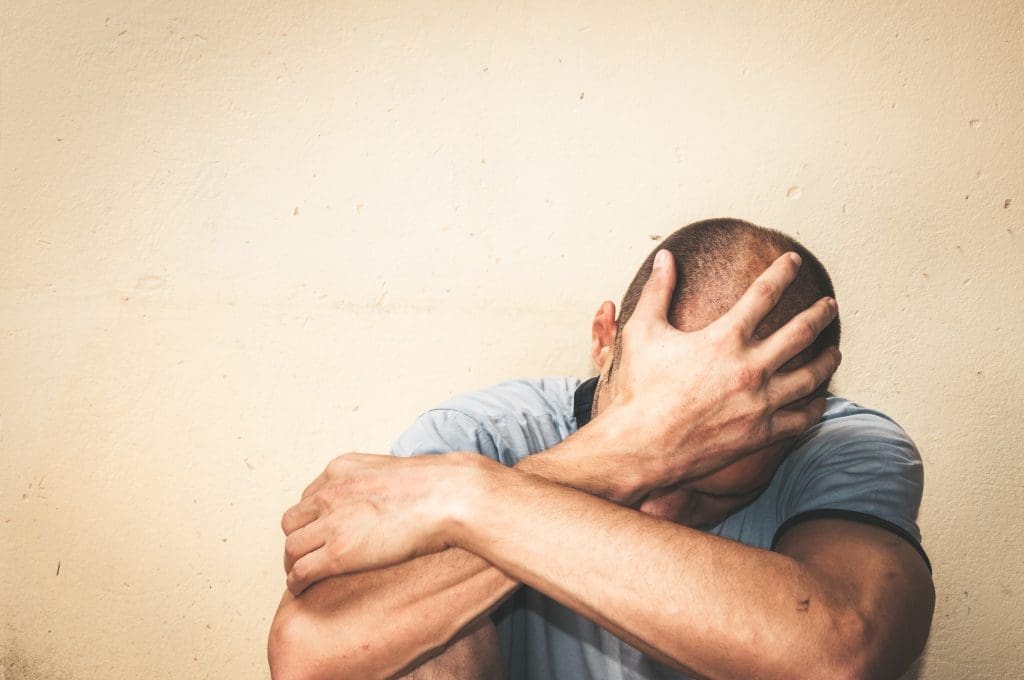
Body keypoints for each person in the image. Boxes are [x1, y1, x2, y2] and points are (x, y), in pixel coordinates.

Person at [267, 218, 934, 679]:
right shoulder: (485, 436)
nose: (661, 512)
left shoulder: (843, 445)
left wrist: (469, 497)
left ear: (800, 416)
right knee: (411, 643)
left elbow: (838, 657)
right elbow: (311, 656)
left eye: (712, 486)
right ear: (604, 338)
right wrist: (610, 461)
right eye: (657, 429)